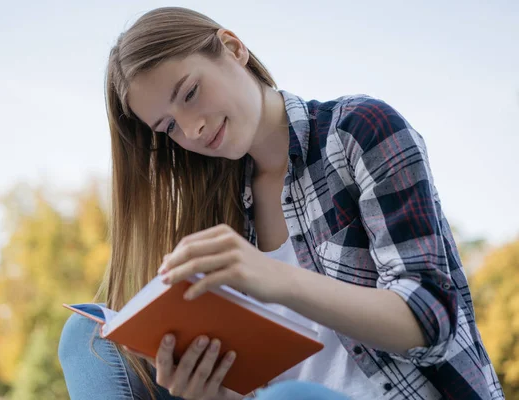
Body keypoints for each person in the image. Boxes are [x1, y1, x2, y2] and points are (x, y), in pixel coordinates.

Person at [58, 6, 504, 400]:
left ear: (233, 49)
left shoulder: (357, 131)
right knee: (85, 337)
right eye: (169, 126)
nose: (191, 130)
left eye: (191, 93)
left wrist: (276, 278)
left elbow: (432, 319)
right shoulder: (218, 205)